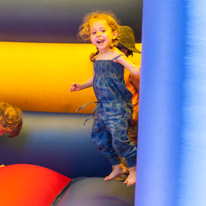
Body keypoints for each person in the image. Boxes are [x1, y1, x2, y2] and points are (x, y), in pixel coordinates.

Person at [70, 11, 140, 186]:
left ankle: (134, 169)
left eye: (103, 31)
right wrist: (80, 85)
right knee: (98, 137)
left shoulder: (116, 55)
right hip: (102, 106)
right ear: (90, 37)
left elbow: (135, 70)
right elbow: (95, 78)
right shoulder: (97, 58)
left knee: (120, 139)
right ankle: (118, 167)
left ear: (114, 34)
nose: (98, 35)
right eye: (94, 32)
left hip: (118, 106)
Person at [117, 25, 141, 146]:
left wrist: (134, 116)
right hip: (115, 120)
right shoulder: (111, 69)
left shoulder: (131, 71)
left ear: (124, 50)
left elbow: (144, 94)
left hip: (128, 122)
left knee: (127, 157)